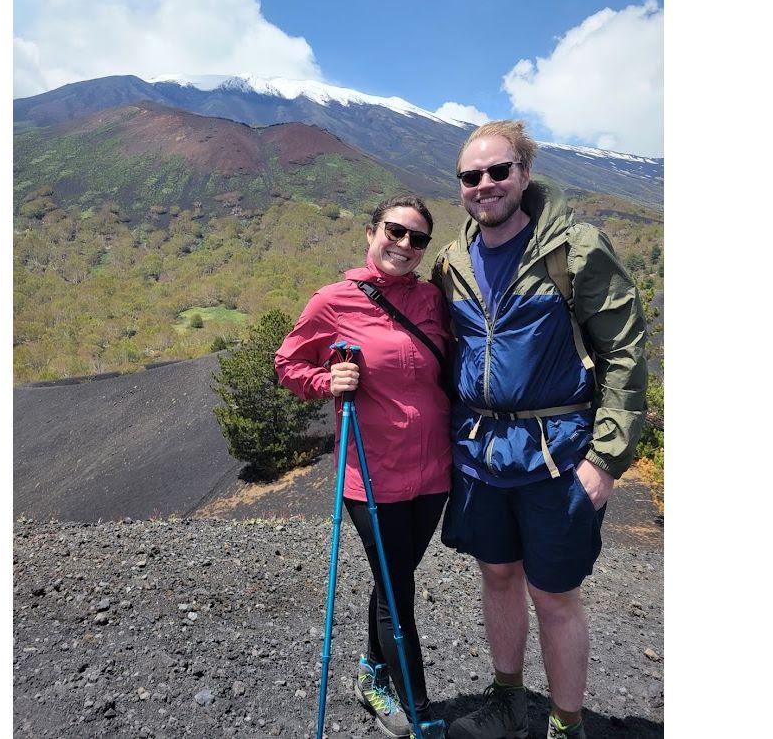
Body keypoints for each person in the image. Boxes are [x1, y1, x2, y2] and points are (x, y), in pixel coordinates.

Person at [430, 121, 647, 739]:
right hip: (480, 455)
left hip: (559, 456)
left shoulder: (573, 250)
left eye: (499, 170)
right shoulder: (452, 261)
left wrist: (605, 459)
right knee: (498, 576)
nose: (485, 184)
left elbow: (624, 352)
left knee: (553, 594)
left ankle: (566, 723)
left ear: (524, 174)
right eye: (471, 176)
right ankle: (508, 703)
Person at [275, 194, 452, 738]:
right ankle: (418, 712)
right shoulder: (333, 301)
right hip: (373, 477)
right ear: (371, 232)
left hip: (434, 473)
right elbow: (287, 362)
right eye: (395, 231)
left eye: (417, 238)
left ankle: (371, 671)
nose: (405, 244)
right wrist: (326, 380)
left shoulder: (431, 298)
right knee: (398, 591)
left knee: (395, 579)